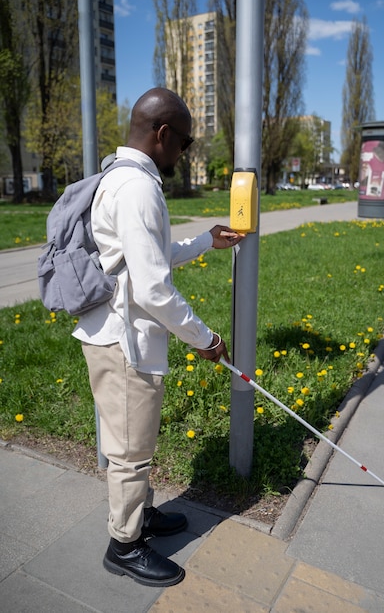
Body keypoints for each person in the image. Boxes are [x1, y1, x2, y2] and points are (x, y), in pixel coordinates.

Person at [72, 88, 243, 588]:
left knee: (132, 439)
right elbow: (151, 286)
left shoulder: (124, 178)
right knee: (129, 449)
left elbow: (149, 254)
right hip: (124, 341)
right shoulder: (137, 187)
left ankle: (141, 514)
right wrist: (206, 337)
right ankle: (124, 544)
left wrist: (204, 241)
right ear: (162, 134)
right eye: (185, 143)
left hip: (117, 333)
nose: (183, 153)